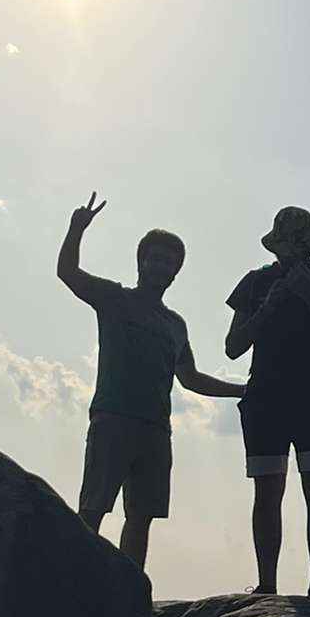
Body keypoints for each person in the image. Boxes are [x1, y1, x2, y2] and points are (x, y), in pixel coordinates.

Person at [57, 191, 246, 573]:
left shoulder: (175, 324)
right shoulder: (114, 298)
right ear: (141, 261)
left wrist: (244, 390)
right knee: (93, 508)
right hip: (112, 418)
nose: (161, 265)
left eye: (169, 261)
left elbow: (190, 379)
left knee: (140, 516)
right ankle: (73, 581)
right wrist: (76, 229)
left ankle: (129, 589)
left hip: (156, 429)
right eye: (155, 257)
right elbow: (68, 274)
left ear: (176, 271)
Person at [226, 206, 310, 597]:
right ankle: (267, 583)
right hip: (265, 396)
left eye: (300, 245)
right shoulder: (254, 283)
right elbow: (233, 346)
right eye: (288, 245)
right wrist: (269, 306)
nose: (294, 253)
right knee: (267, 490)